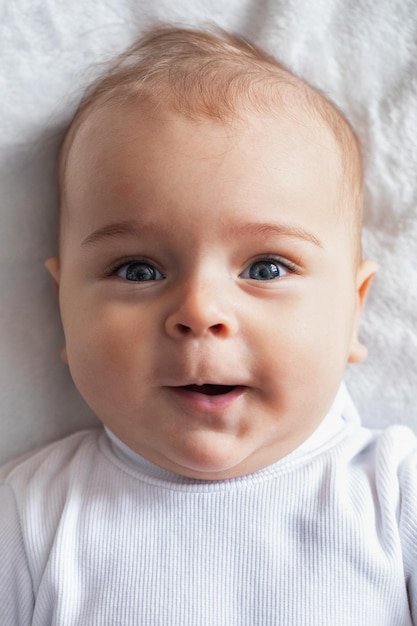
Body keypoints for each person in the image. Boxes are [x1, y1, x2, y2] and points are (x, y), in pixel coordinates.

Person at [0, 23, 415, 625]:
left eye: (267, 267)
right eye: (137, 269)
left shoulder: (393, 494)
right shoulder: (28, 517)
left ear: (354, 309)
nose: (199, 310)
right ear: (65, 306)